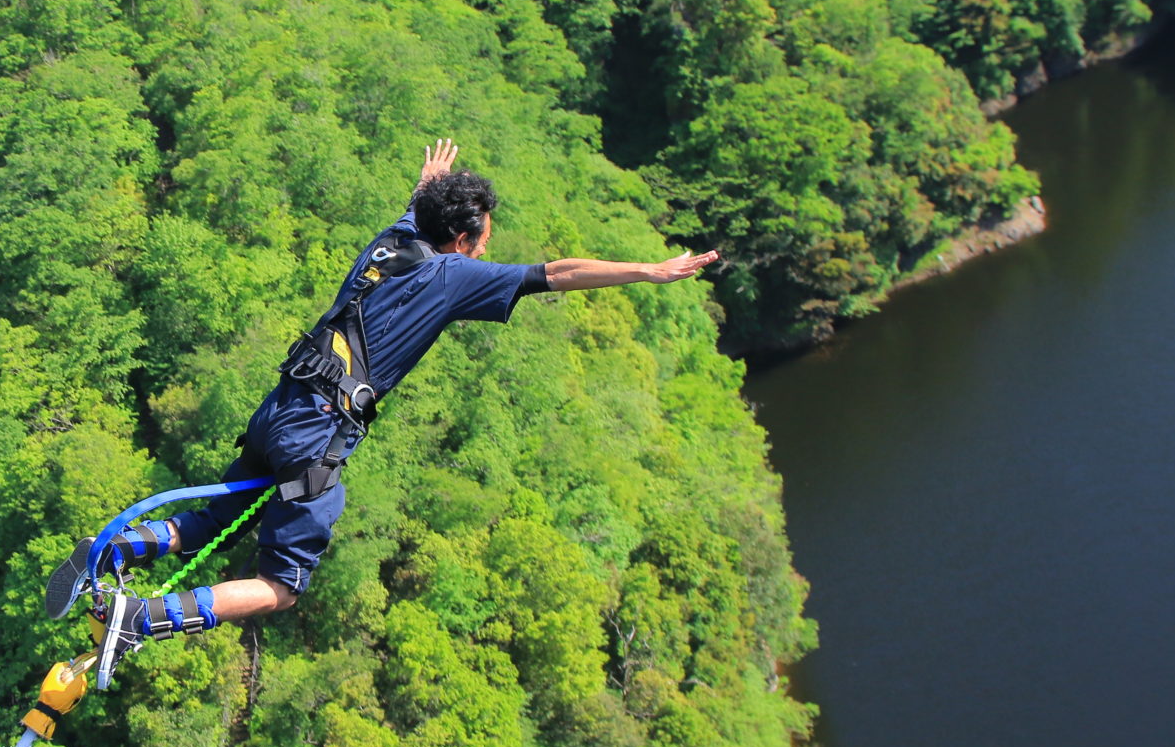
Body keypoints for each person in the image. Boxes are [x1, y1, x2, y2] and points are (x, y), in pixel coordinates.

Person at [48, 139, 719, 678]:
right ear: (462, 238)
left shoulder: (392, 242)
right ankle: (143, 619)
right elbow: (555, 273)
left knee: (213, 517)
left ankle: (106, 556)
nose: (487, 250)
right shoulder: (451, 272)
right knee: (281, 585)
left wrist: (428, 185)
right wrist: (649, 271)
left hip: (280, 405)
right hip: (315, 436)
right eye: (483, 238)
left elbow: (417, 210)